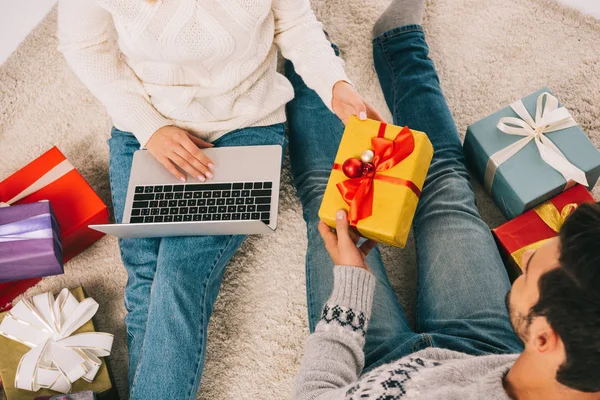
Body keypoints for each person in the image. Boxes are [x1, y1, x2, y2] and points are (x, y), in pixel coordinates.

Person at [57, 0, 382, 398]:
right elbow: (83, 46)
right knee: (145, 276)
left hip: (245, 120)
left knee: (178, 275)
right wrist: (150, 127)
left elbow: (294, 21)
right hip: (144, 121)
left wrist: (336, 85)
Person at [288, 0, 600, 399]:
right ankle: (397, 45)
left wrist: (350, 288)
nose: (519, 262)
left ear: (545, 337)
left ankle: (306, 64)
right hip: (488, 352)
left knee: (327, 203)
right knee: (445, 180)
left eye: (527, 269)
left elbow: (314, 393)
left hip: (376, 374)